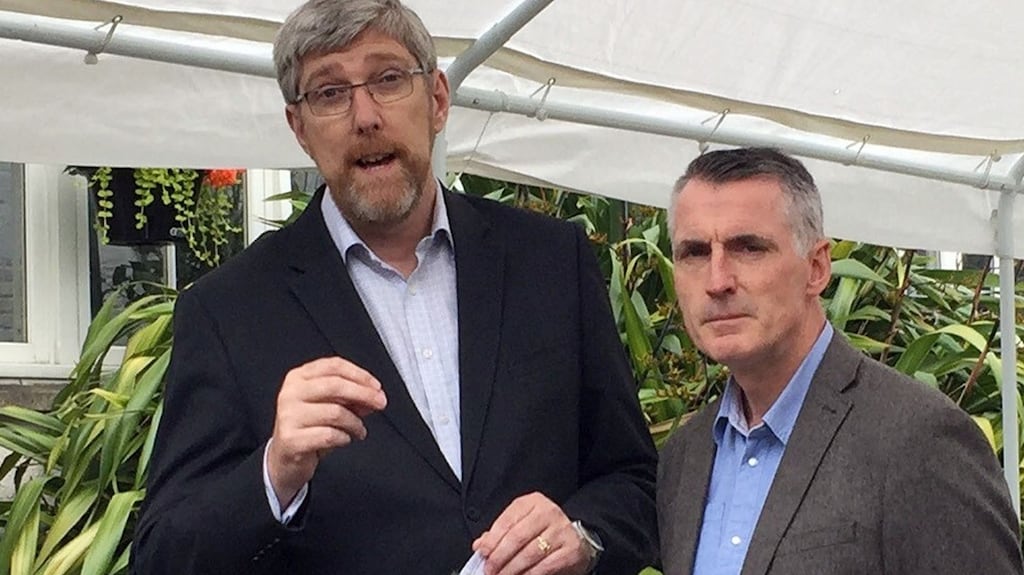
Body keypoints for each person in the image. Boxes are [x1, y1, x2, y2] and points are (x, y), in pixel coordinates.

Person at [130, 1, 658, 573]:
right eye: (329, 93)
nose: (365, 116)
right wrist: (275, 471)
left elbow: (634, 480)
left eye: (387, 79)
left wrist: (585, 536)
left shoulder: (551, 263)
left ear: (436, 99)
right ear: (299, 128)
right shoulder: (230, 311)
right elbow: (163, 555)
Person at [657, 147, 1022, 575]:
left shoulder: (919, 440)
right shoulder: (685, 457)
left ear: (816, 267)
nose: (717, 281)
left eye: (749, 248)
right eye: (695, 253)